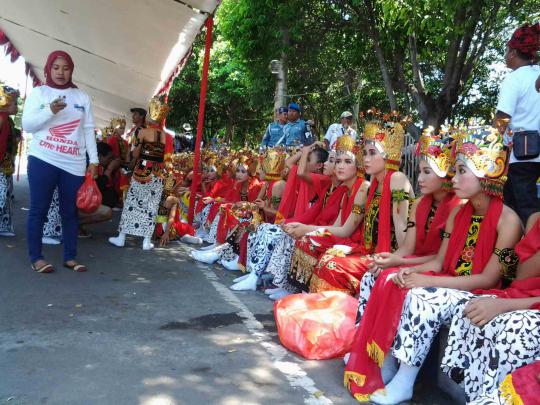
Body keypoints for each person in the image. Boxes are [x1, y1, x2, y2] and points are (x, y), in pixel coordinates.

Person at [347, 128, 522, 405]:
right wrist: (412, 271)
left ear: (486, 174)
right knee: (391, 279)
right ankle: (382, 357)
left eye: (463, 170)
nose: (455, 176)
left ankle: (405, 379)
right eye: (455, 170)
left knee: (421, 297)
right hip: (449, 280)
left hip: (477, 291)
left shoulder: (508, 221)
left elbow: (488, 279)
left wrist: (428, 281)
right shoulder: (457, 213)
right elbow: (440, 262)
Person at [308, 113, 414, 296]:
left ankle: (336, 312)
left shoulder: (396, 179)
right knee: (329, 259)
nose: (365, 159)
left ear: (388, 154)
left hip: (392, 254)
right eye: (364, 153)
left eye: (372, 153)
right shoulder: (374, 185)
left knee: (332, 264)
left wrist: (393, 260)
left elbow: (402, 231)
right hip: (375, 252)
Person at [441, 212, 540, 403]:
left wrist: (505, 305)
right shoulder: (536, 220)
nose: (455, 181)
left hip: (529, 308)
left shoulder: (507, 219)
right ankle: (478, 397)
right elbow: (521, 276)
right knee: (470, 309)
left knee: (515, 328)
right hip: (525, 294)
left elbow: (489, 279)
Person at [22, 50, 98, 273]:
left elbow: (88, 130)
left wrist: (93, 161)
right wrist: (49, 110)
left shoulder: (82, 97)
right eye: (56, 67)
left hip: (73, 164)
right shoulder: (39, 93)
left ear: (71, 70)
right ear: (48, 68)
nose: (61, 72)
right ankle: (37, 258)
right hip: (42, 159)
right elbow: (28, 126)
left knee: (70, 212)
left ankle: (70, 257)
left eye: (65, 68)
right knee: (39, 210)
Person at [108, 96, 169, 250]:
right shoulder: (164, 136)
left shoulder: (142, 132)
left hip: (142, 170)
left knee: (132, 203)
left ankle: (122, 237)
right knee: (151, 205)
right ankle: (146, 241)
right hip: (157, 172)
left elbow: (135, 154)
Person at [496, 23, 540, 225]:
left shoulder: (514, 78)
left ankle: (531, 252)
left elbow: (502, 117)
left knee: (524, 207)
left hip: (522, 155)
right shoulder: (537, 74)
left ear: (513, 52)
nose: (505, 56)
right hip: (533, 154)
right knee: (517, 203)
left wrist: (493, 142)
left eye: (506, 52)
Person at [0, 85, 21, 237]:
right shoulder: (1, 119)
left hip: (4, 164)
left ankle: (3, 226)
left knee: (5, 196)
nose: (17, 106)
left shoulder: (7, 120)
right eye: (15, 102)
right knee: (1, 196)